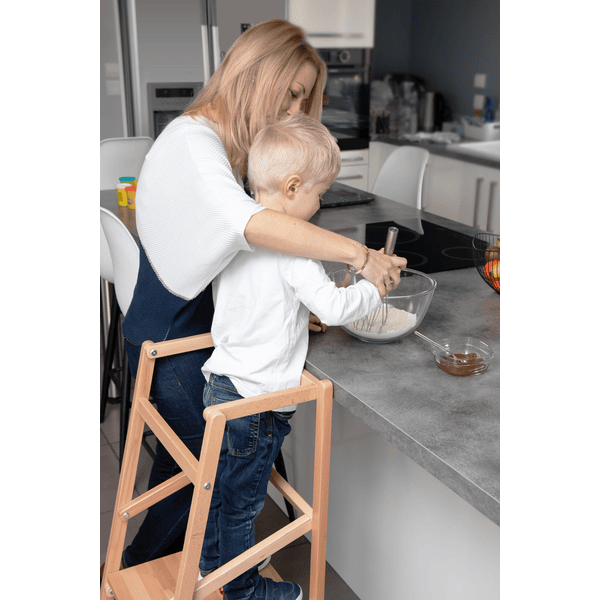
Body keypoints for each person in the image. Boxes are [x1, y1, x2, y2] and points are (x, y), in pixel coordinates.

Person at [117, 18, 406, 580]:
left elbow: (235, 263)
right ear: (259, 76)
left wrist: (288, 309)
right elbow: (251, 225)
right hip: (173, 339)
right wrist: (359, 256)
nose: (298, 108)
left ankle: (206, 563)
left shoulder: (220, 144)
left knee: (192, 475)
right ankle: (166, 569)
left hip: (191, 328)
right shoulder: (194, 142)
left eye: (306, 96)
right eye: (293, 91)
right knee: (211, 468)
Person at [199, 112, 386, 600]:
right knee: (244, 501)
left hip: (221, 385)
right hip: (257, 403)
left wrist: (297, 315)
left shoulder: (237, 232)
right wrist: (372, 288)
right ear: (292, 186)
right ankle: (241, 589)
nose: (320, 203)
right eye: (319, 193)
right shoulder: (295, 252)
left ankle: (211, 567)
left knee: (223, 491)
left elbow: (255, 304)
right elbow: (336, 307)